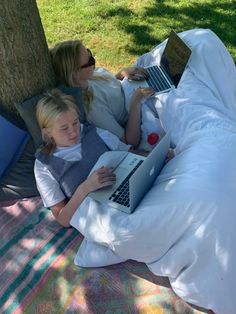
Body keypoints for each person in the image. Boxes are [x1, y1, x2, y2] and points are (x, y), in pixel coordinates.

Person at [34, 88, 149, 227]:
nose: (73, 131)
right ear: (48, 132)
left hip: (131, 190)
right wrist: (86, 187)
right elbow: (63, 219)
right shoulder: (44, 165)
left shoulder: (94, 133)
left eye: (75, 122)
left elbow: (129, 153)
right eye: (64, 128)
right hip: (100, 219)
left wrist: (155, 154)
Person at [50, 40, 155, 147]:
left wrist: (121, 74)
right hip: (141, 109)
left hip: (134, 88)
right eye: (89, 61)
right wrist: (136, 102)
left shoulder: (91, 76)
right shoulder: (93, 108)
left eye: (89, 53)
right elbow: (129, 142)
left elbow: (106, 90)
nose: (93, 60)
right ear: (75, 73)